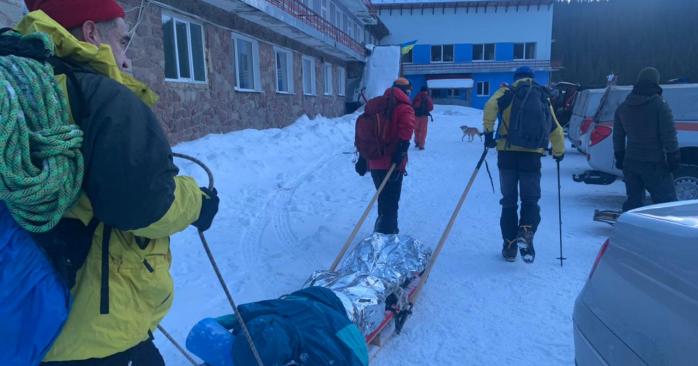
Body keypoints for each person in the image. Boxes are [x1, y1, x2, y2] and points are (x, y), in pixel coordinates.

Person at [17, 1, 219, 364]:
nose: (126, 60)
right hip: (98, 333)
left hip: (27, 327)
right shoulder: (103, 98)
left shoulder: (20, 91)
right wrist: (197, 201)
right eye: (123, 42)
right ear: (91, 32)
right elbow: (144, 206)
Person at [482, 66, 565, 263]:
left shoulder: (507, 92)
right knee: (530, 199)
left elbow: (490, 107)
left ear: (516, 78)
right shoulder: (542, 96)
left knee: (509, 201)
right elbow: (555, 128)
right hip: (532, 156)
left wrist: (488, 134)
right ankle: (526, 231)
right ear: (532, 78)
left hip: (507, 153)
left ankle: (509, 246)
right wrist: (559, 152)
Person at [613, 67, 679, 212]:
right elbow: (668, 133)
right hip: (655, 163)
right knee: (667, 205)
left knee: (633, 204)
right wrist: (673, 155)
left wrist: (619, 155)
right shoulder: (659, 105)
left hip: (631, 163)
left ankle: (630, 230)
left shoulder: (624, 106)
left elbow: (617, 135)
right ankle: (666, 233)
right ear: (656, 82)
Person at [355, 78, 416, 234]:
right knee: (392, 201)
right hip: (393, 162)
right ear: (406, 91)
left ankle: (382, 230)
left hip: (374, 160)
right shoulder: (404, 108)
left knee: (383, 197)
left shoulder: (376, 105)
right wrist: (401, 151)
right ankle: (388, 236)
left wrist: (363, 157)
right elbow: (407, 129)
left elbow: (364, 134)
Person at [412, 85, 434, 150]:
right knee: (423, 131)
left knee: (416, 130)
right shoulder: (427, 97)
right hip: (424, 117)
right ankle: (421, 145)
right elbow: (431, 107)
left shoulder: (417, 96)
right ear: (426, 91)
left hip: (416, 116)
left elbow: (412, 105)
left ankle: (417, 142)